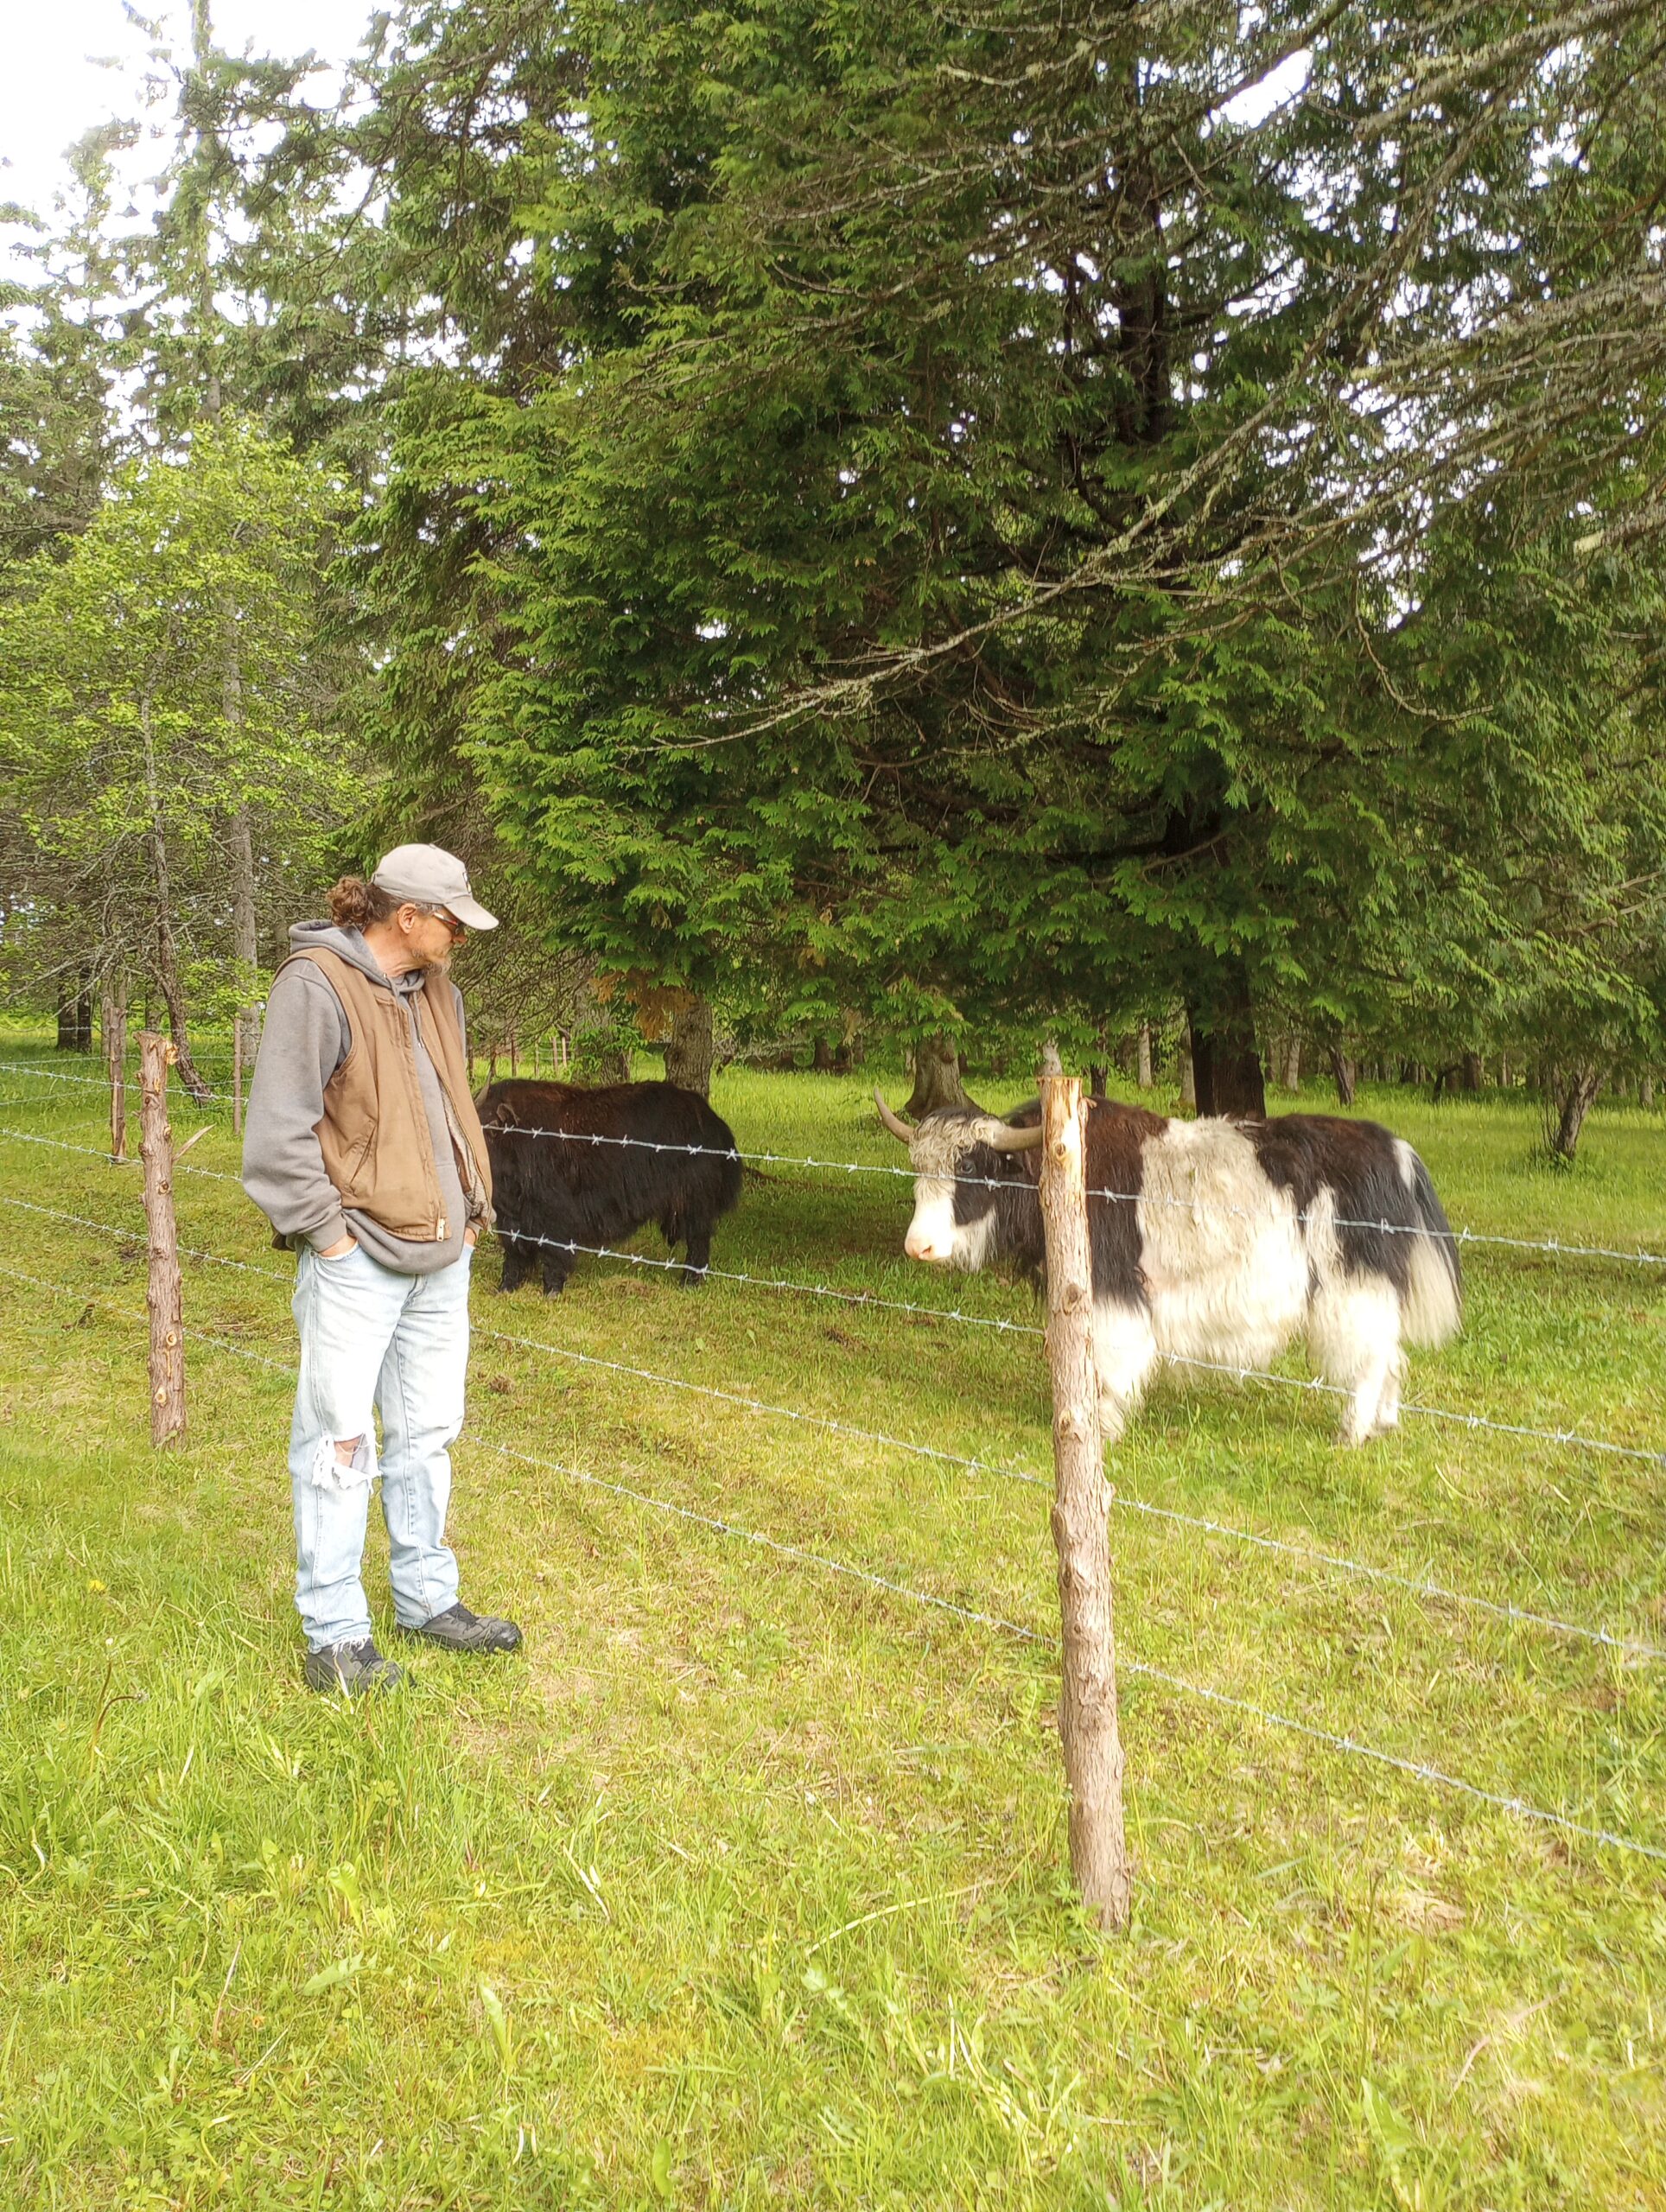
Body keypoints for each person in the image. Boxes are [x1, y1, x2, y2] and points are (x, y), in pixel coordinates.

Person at [242, 843, 523, 1693]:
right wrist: (329, 1236)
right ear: (407, 916)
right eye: (452, 922)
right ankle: (334, 1637)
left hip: (444, 1257)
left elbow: (447, 1109)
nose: (460, 939)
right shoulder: (314, 985)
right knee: (338, 1443)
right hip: (356, 1259)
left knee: (430, 1432)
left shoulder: (440, 992)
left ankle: (426, 1598)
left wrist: (473, 1211)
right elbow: (277, 1135)